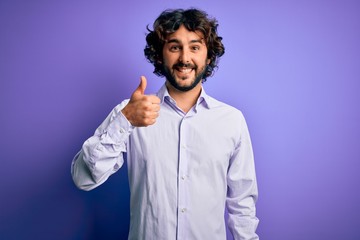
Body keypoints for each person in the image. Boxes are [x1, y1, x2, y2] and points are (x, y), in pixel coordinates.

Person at [71, 8, 259, 240]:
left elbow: (242, 205)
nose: (185, 58)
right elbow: (83, 178)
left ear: (208, 56)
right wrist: (125, 121)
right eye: (174, 47)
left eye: (195, 47)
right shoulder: (131, 112)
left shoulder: (232, 120)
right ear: (160, 55)